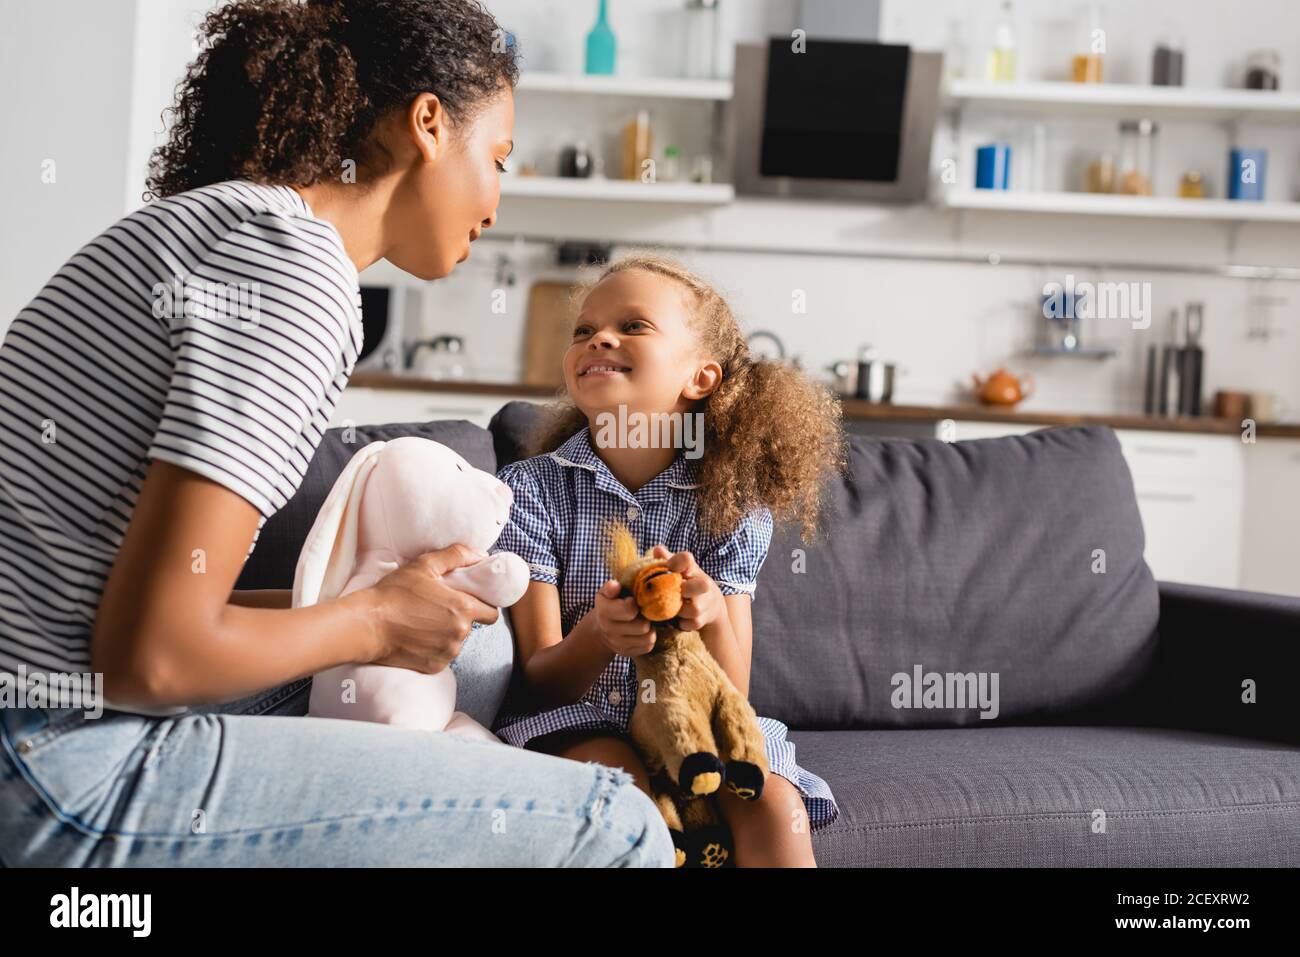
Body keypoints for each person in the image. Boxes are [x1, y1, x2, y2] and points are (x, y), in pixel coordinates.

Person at [0, 0, 674, 868]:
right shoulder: (296, 274)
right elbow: (151, 658)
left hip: (46, 703)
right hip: (58, 765)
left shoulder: (222, 224)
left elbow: (112, 611)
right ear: (429, 123)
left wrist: (354, 605)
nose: (496, 205)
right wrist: (369, 622)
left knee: (478, 651)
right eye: (498, 160)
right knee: (617, 828)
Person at [491, 254, 847, 866]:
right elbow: (538, 684)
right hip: (579, 723)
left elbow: (733, 690)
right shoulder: (531, 490)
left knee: (771, 804)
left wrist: (708, 614)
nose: (599, 337)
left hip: (697, 729)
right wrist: (601, 634)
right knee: (622, 784)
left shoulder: (732, 507)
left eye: (634, 326)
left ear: (701, 378)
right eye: (584, 330)